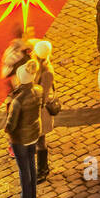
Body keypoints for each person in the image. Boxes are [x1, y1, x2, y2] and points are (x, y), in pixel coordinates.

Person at [5, 59, 42, 198]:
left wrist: (7, 131)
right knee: (32, 165)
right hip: (34, 133)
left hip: (20, 138)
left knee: (23, 169)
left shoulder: (18, 101)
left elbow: (11, 124)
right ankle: (32, 196)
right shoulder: (39, 90)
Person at [32, 40, 58, 180]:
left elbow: (43, 96)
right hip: (35, 109)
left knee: (40, 141)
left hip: (41, 111)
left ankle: (43, 169)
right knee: (37, 140)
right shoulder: (36, 66)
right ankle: (42, 168)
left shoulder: (47, 71)